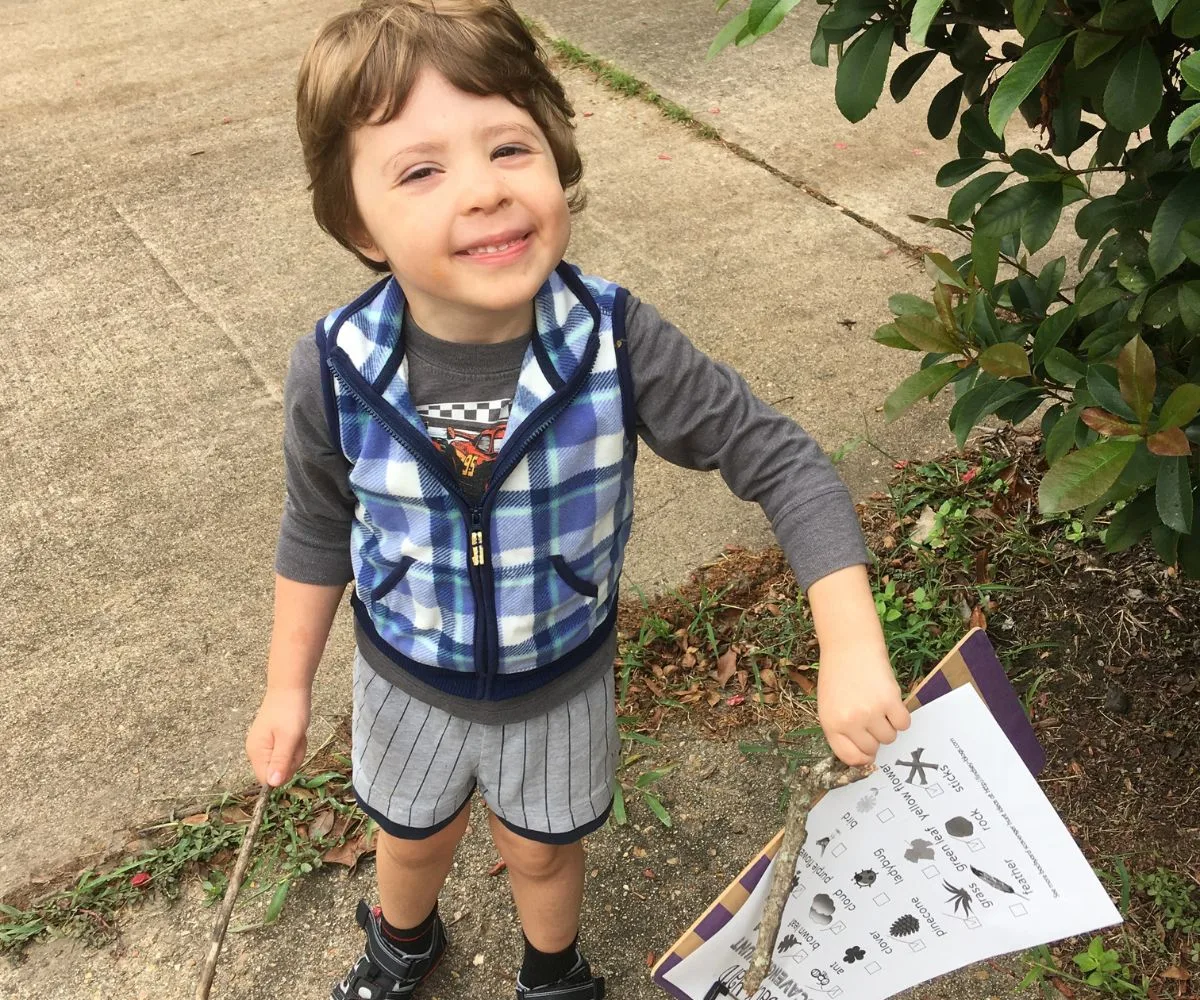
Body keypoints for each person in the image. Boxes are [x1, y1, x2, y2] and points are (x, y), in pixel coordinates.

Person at [245, 2, 911, 997]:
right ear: (357, 223)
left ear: (557, 160)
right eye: (421, 169)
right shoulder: (333, 368)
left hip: (558, 686)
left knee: (545, 850)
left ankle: (552, 970)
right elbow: (317, 525)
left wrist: (851, 638)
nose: (483, 191)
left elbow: (780, 459)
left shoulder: (617, 342)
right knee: (410, 836)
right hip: (402, 681)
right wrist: (286, 687)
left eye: (509, 146)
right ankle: (401, 939)